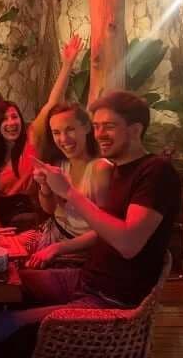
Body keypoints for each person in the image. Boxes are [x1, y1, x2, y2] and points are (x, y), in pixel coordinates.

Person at [0, 91, 181, 358]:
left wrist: (70, 193)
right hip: (85, 278)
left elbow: (128, 243)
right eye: (97, 126)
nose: (100, 133)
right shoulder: (116, 170)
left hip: (110, 299)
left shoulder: (155, 172)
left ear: (136, 129)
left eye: (110, 126)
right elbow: (104, 229)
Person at [24, 102, 110, 269]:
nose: (63, 139)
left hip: (81, 250)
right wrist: (45, 186)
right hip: (53, 233)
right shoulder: (60, 164)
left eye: (70, 129)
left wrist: (58, 248)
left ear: (86, 127)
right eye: (56, 132)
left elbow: (106, 230)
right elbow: (49, 210)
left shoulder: (100, 168)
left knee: (26, 277)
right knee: (3, 250)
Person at [0, 100, 37, 228]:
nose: (11, 122)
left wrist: (65, 77)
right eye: (4, 119)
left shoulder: (30, 142)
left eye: (14, 116)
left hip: (25, 218)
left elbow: (52, 104)